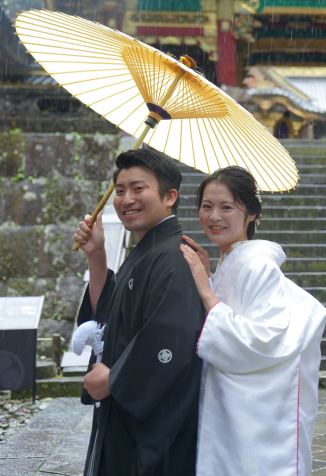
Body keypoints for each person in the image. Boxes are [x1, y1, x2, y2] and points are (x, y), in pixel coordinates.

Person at [180, 166, 326, 476]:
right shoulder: (230, 260)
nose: (214, 216)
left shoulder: (258, 266)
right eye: (207, 206)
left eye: (227, 207)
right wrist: (210, 277)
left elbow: (263, 339)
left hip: (252, 419)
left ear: (251, 214)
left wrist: (207, 294)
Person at [74, 148, 205, 476]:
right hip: (128, 418)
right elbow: (109, 317)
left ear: (170, 196)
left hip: (155, 427)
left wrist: (114, 380)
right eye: (119, 190)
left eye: (138, 188)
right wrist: (96, 255)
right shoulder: (147, 251)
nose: (126, 198)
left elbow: (170, 340)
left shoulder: (174, 257)